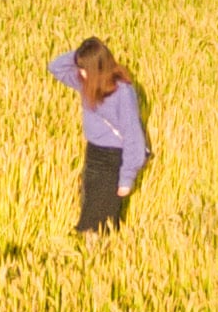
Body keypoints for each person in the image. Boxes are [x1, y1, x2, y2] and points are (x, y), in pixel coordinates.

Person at [48, 38, 148, 234]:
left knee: (102, 219)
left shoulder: (123, 92)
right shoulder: (86, 82)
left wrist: (126, 180)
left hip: (113, 159)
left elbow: (133, 136)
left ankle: (100, 256)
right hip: (93, 154)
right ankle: (92, 256)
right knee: (89, 210)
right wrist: (82, 53)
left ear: (97, 68)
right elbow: (55, 67)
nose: (81, 73)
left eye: (85, 68)